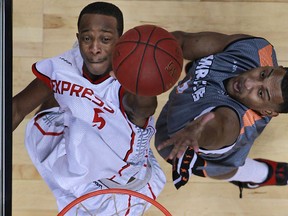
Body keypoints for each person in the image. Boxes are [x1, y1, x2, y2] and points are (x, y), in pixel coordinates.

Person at [12, 2, 166, 214]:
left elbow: (144, 107)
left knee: (69, 103)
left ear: (120, 42)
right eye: (87, 38)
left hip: (117, 187)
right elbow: (16, 108)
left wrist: (138, 75)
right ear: (78, 38)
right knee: (57, 98)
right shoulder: (64, 65)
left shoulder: (130, 92)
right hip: (79, 153)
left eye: (105, 39)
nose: (94, 47)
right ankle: (81, 100)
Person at [155, 31, 288, 198]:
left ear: (267, 111)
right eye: (262, 74)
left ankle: (262, 174)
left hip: (180, 133)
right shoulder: (255, 49)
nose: (248, 82)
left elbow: (221, 126)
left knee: (218, 167)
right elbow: (181, 42)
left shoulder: (235, 123)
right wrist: (152, 50)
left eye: (261, 93)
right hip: (187, 97)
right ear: (276, 67)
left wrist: (198, 135)